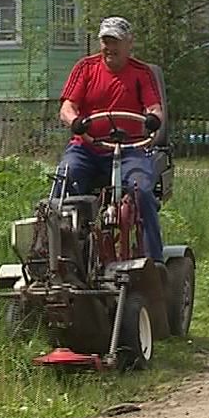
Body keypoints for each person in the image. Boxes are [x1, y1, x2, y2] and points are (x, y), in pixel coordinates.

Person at [57, 16, 165, 263]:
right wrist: (74, 121)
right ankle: (60, 257)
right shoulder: (85, 68)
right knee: (63, 181)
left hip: (130, 150)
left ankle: (154, 263)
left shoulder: (141, 73)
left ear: (129, 44)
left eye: (115, 41)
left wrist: (153, 120)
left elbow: (154, 108)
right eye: (105, 41)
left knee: (142, 191)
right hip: (87, 147)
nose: (109, 47)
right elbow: (67, 106)